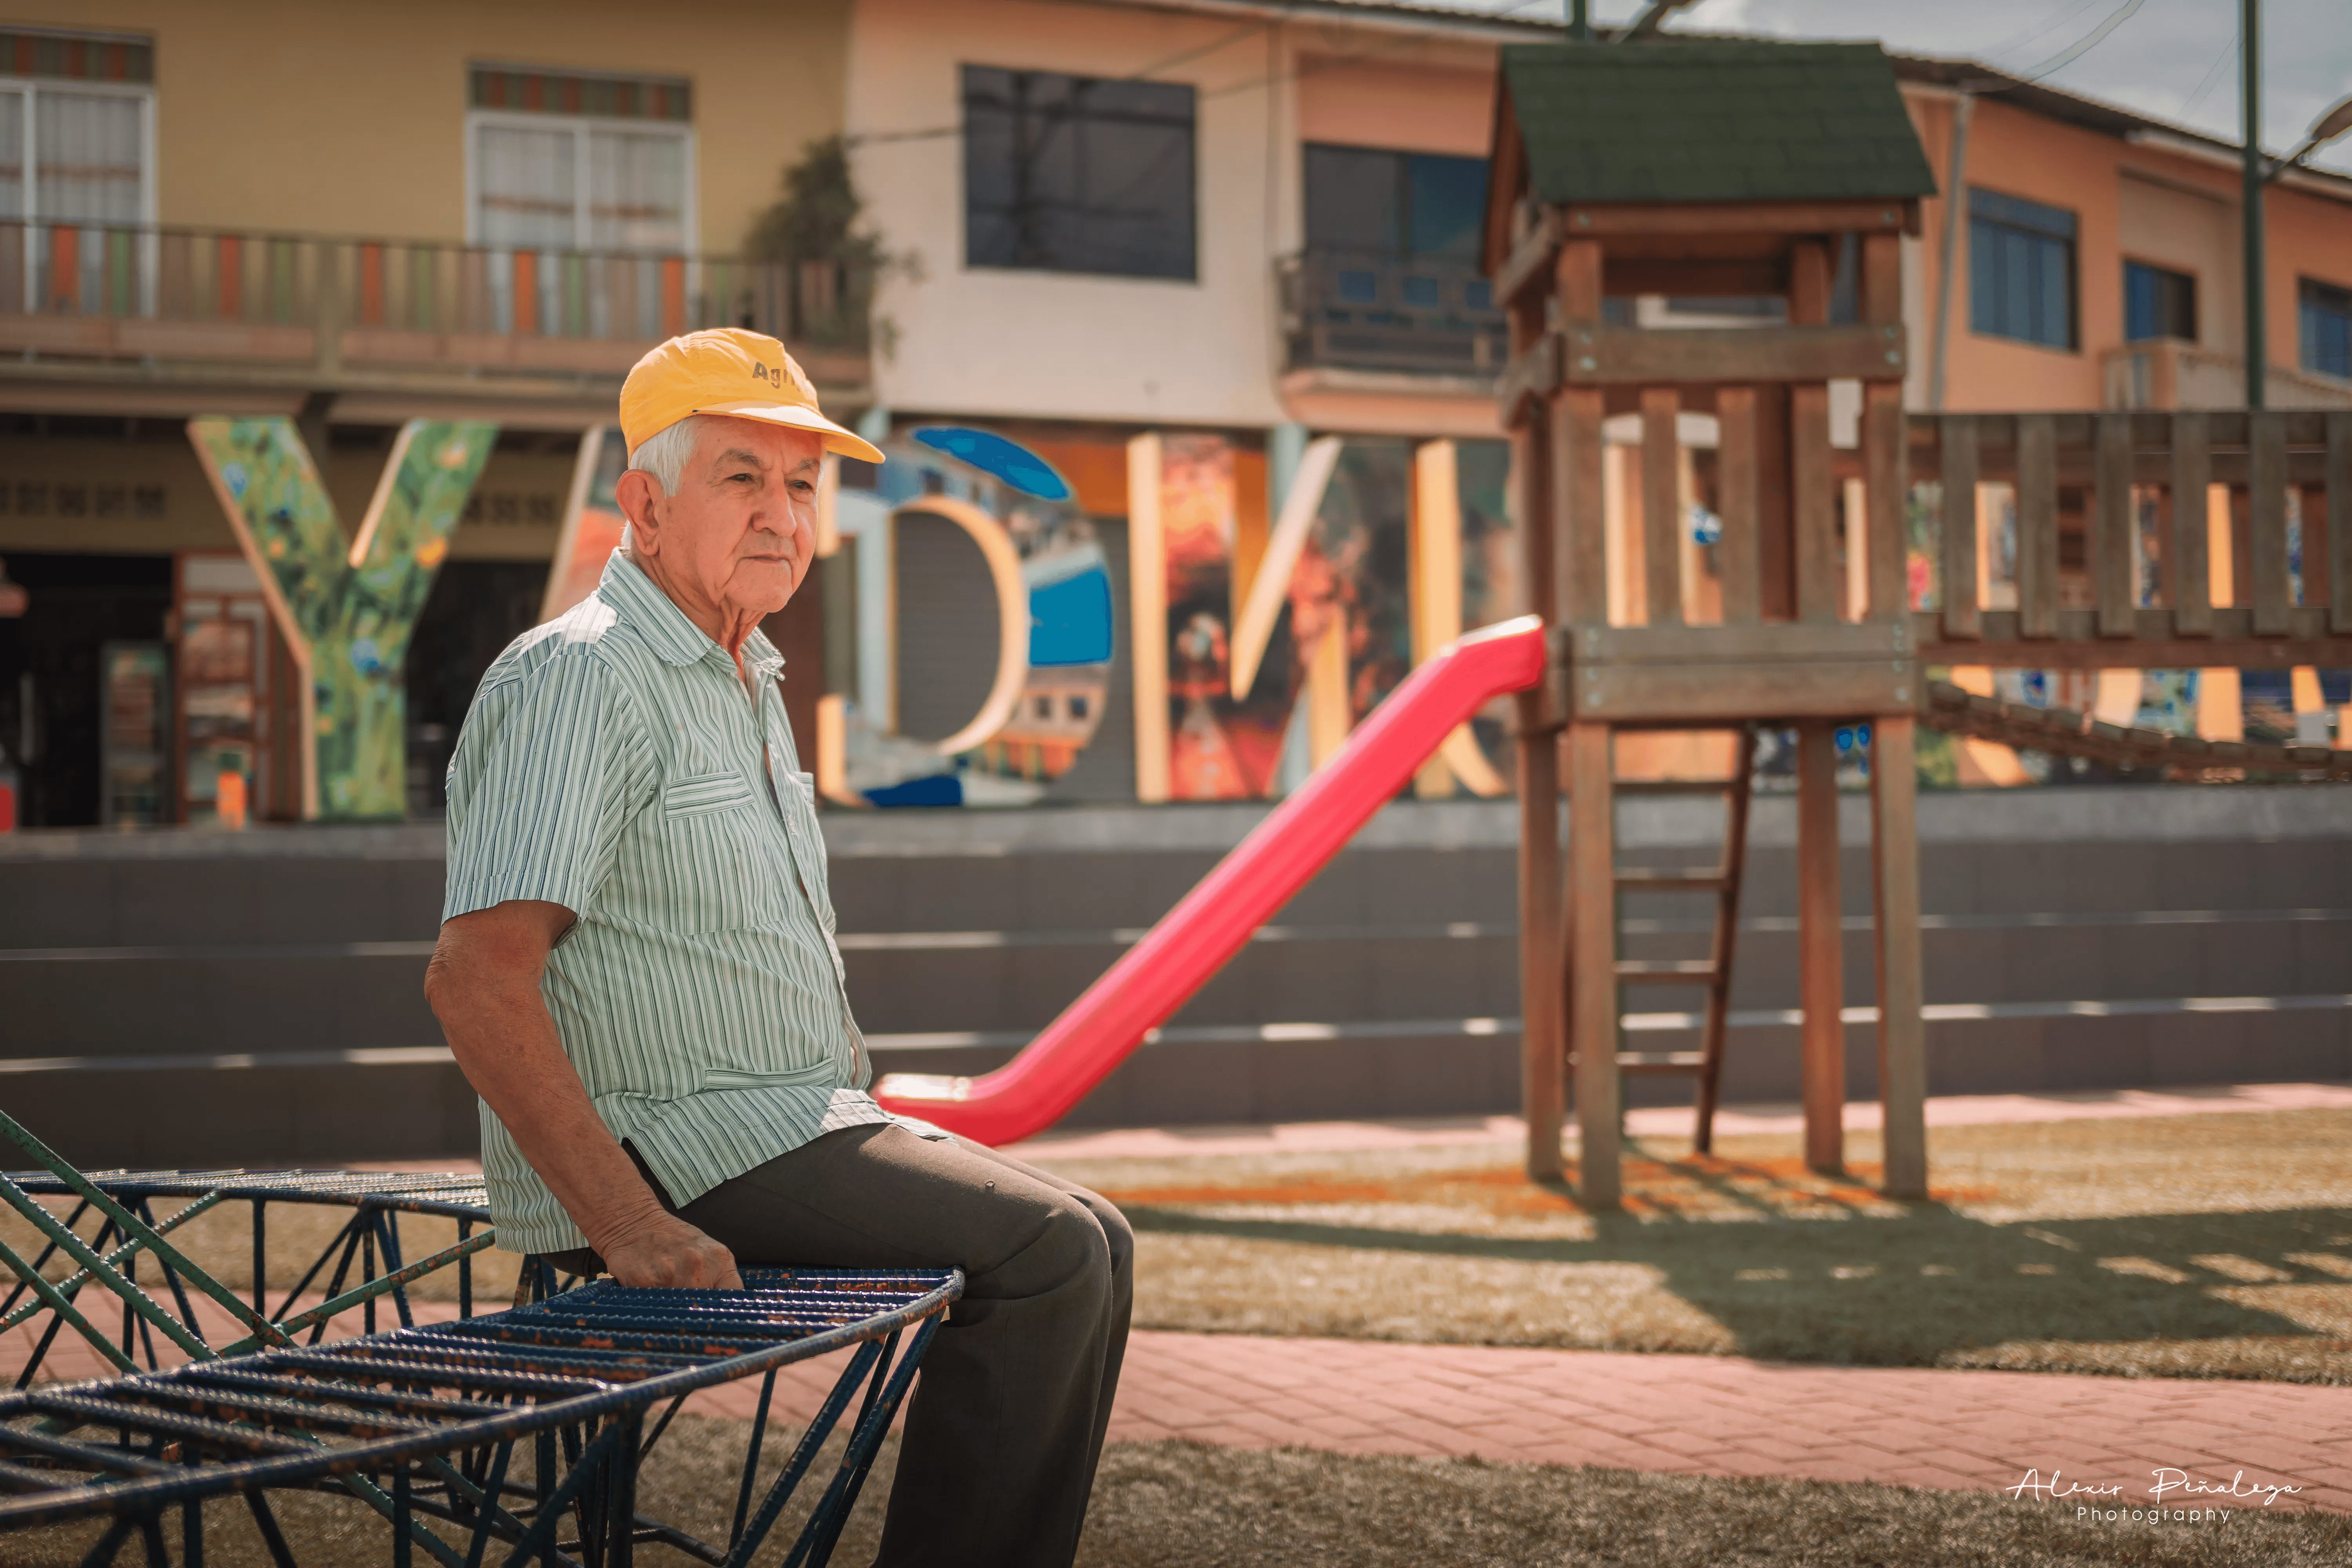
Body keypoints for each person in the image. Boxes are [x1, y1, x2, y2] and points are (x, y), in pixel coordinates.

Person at [424, 328, 1131, 1567]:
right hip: (680, 1144)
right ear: (643, 507)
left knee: (1098, 1240)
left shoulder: (741, 675)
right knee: (1054, 1252)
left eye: (802, 484)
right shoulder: (582, 678)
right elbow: (478, 977)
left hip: (792, 1119)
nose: (782, 512)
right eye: (740, 477)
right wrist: (626, 1219)